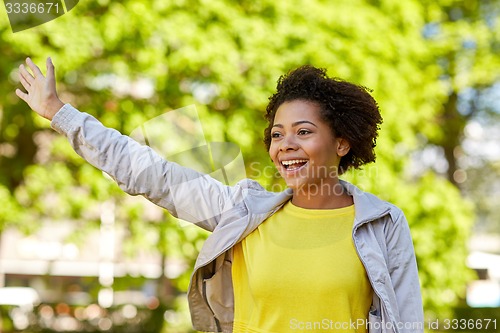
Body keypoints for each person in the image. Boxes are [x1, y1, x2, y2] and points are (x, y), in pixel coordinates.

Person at [16, 57, 423, 333]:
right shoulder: (244, 214)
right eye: (277, 134)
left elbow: (405, 321)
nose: (285, 145)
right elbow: (152, 174)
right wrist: (60, 113)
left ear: (342, 143)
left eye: (304, 132)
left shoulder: (382, 223)